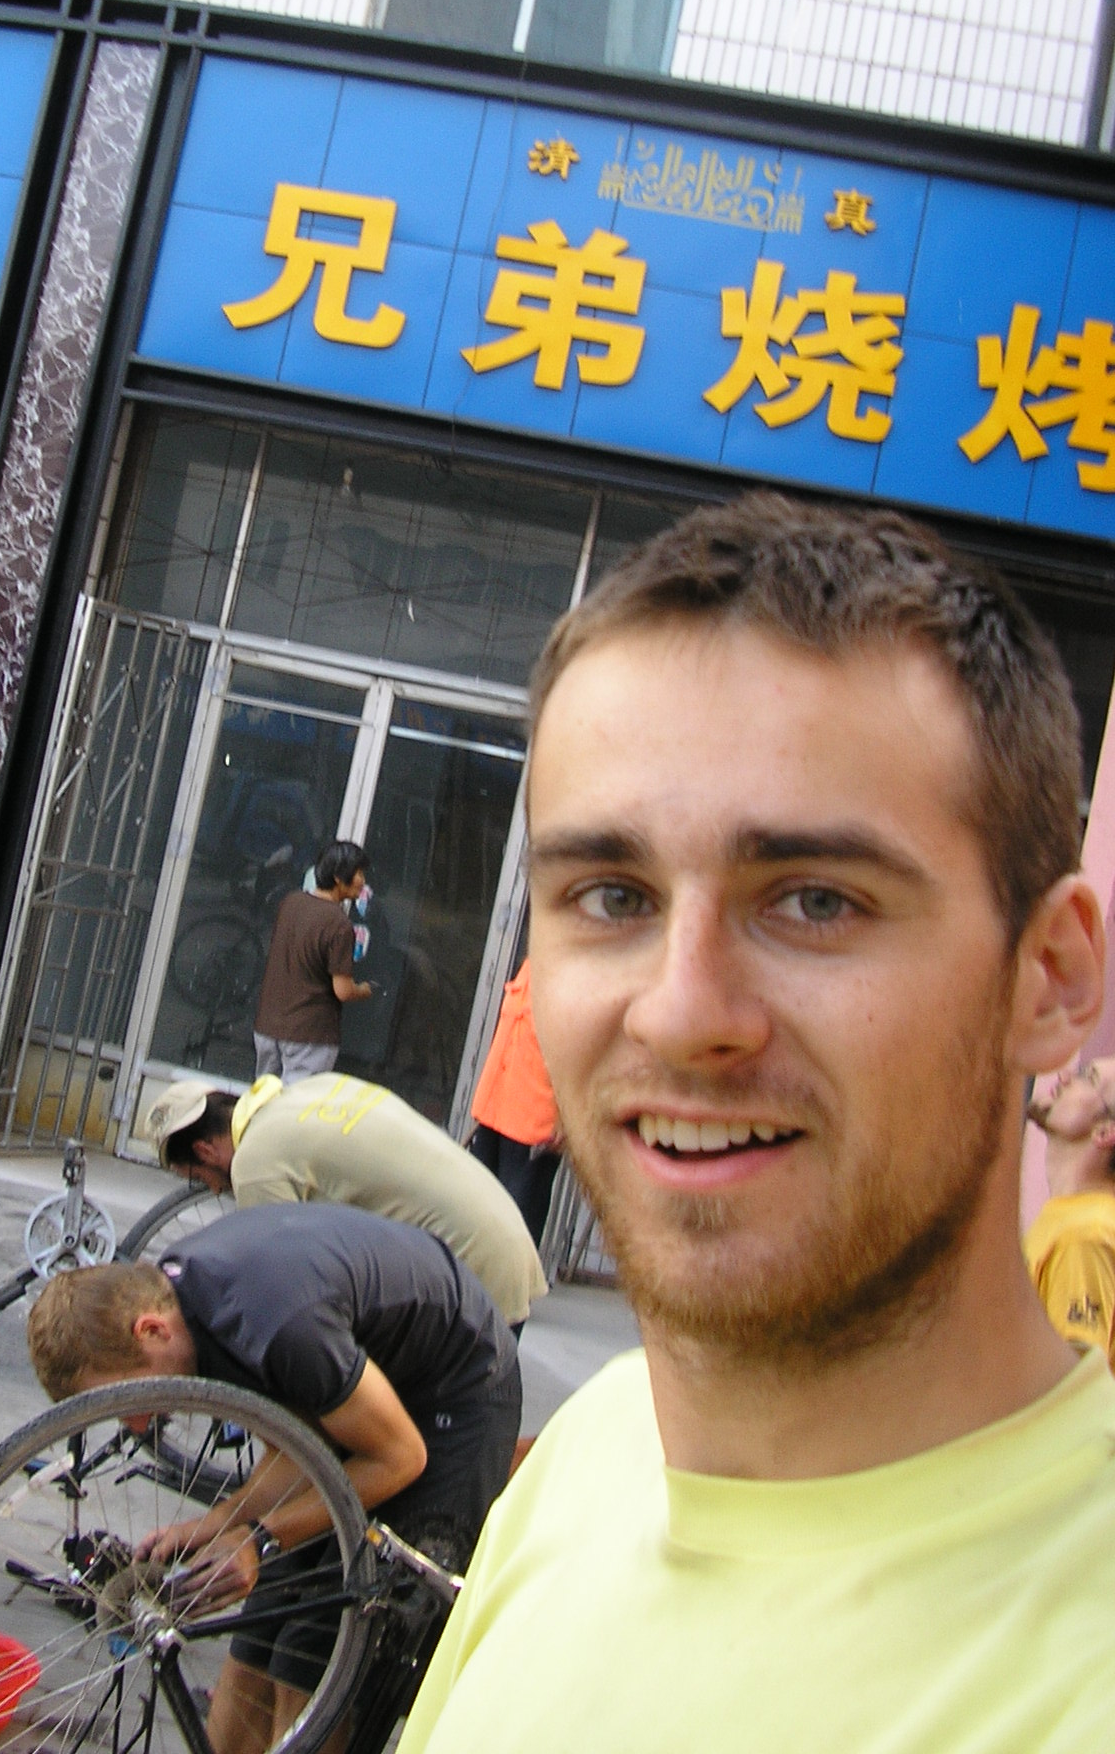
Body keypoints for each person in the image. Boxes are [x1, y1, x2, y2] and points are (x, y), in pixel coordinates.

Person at [401, 492, 1115, 1754]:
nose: (681, 1014)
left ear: (1050, 977)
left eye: (818, 901)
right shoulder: (591, 1452)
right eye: (611, 893)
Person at [28, 1202, 520, 1754]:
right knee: (261, 1637)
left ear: (150, 1330)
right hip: (362, 1384)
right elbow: (293, 1450)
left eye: (127, 1398)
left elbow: (400, 1459)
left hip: (454, 1399)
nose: (137, 1422)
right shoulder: (186, 1309)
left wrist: (260, 1537)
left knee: (319, 1651)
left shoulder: (276, 1327)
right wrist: (222, 1523)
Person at [146, 1070, 547, 1326]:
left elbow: (274, 1289)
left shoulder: (256, 1160)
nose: (215, 1189)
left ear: (204, 1152)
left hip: (473, 1271)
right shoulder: (311, 1090)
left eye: (198, 1177)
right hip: (503, 1236)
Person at [251, 840, 372, 1082]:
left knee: (262, 1103)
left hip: (268, 1026)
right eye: (359, 874)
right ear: (339, 877)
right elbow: (343, 990)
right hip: (309, 1035)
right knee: (295, 1112)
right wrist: (365, 990)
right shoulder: (339, 924)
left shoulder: (290, 903)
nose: (363, 882)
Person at [1023, 1057, 1115, 1363]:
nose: (1064, 1077)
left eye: (1087, 1078)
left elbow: (1072, 1382)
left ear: (1105, 1132)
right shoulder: (1080, 1221)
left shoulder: (1082, 1235)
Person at [467, 958, 563, 1249]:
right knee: (475, 1213)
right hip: (494, 1109)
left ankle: (510, 1293)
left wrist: (567, 1118)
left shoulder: (580, 973)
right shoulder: (533, 963)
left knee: (516, 1228)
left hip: (535, 1123)